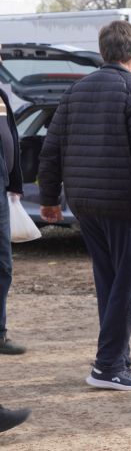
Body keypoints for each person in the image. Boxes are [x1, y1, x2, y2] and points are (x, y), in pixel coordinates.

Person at [39, 21, 131, 390]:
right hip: (126, 205)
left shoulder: (75, 91)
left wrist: (50, 200)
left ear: (104, 52)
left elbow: (51, 149)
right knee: (124, 287)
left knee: (110, 284)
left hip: (85, 204)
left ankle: (116, 358)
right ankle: (108, 366)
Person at [0, 84, 26, 356]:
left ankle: (0, 332)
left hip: (2, 187)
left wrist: (15, 181)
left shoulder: (1, 94)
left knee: (3, 265)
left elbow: (12, 137)